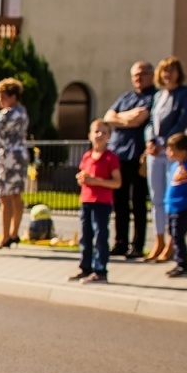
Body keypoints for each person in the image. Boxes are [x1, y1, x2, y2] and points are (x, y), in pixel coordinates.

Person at [145, 57, 187, 263]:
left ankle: (171, 244)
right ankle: (158, 240)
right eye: (165, 71)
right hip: (155, 152)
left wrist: (166, 143)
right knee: (156, 198)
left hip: (172, 152)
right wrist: (150, 140)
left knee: (170, 196)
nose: (168, 74)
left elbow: (182, 120)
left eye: (172, 70)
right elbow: (151, 121)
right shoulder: (158, 95)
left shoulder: (185, 93)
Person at [103, 60, 157, 260]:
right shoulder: (126, 97)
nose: (138, 78)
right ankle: (120, 243)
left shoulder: (154, 97)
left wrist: (122, 118)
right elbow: (108, 117)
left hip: (138, 155)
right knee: (120, 202)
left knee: (138, 202)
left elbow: (139, 119)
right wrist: (125, 118)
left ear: (151, 75)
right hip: (119, 154)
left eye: (142, 74)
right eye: (135, 75)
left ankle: (137, 244)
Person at [69, 119, 122, 284]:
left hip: (102, 201)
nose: (99, 135)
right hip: (86, 200)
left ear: (109, 136)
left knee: (100, 235)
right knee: (86, 236)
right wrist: (82, 179)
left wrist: (96, 181)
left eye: (104, 132)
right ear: (90, 135)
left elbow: (116, 182)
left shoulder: (110, 158)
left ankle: (100, 270)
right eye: (96, 132)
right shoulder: (87, 156)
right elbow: (83, 175)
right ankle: (85, 268)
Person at [0, 78, 29, 248]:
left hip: (8, 157)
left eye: (2, 96)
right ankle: (13, 233)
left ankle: (6, 235)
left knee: (5, 197)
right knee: (15, 195)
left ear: (13, 96)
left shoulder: (8, 114)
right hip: (19, 155)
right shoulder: (22, 111)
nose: (0, 100)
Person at [161, 134, 187, 279]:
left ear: (183, 152)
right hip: (171, 207)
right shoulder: (174, 166)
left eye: (172, 150)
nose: (168, 153)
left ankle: (182, 265)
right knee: (173, 235)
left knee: (178, 236)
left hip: (181, 207)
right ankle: (178, 263)